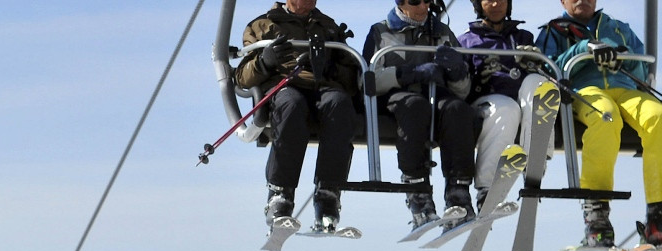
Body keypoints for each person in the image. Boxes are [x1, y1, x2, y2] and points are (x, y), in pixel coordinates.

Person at [536, 0, 662, 247]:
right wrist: (583, 48)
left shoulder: (619, 28)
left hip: (624, 89)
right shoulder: (553, 31)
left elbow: (642, 69)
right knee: (605, 116)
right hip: (584, 91)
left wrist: (620, 57)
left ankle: (660, 212)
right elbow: (546, 68)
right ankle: (596, 211)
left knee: (659, 116)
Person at [235, 0, 360, 232]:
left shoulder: (328, 28)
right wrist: (264, 62)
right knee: (291, 105)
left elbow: (353, 76)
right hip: (286, 86)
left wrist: (332, 69)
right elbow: (242, 76)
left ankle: (328, 194)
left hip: (323, 87)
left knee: (340, 103)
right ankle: (280, 195)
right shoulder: (263, 26)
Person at [363, 0, 477, 230]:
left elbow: (463, 91)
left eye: (428, 1)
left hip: (437, 95)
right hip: (398, 95)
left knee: (458, 110)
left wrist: (456, 72)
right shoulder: (381, 32)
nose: (423, 7)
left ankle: (458, 191)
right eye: (415, 1)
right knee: (414, 107)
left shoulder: (443, 33)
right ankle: (417, 191)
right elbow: (367, 79)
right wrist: (407, 74)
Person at [458, 0, 554, 208]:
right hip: (489, 101)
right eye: (489, 0)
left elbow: (540, 75)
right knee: (507, 109)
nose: (496, 4)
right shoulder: (467, 41)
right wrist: (478, 77)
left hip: (521, 100)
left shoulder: (522, 37)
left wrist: (533, 63)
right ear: (478, 5)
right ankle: (486, 190)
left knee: (539, 85)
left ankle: (534, 166)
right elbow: (459, 87)